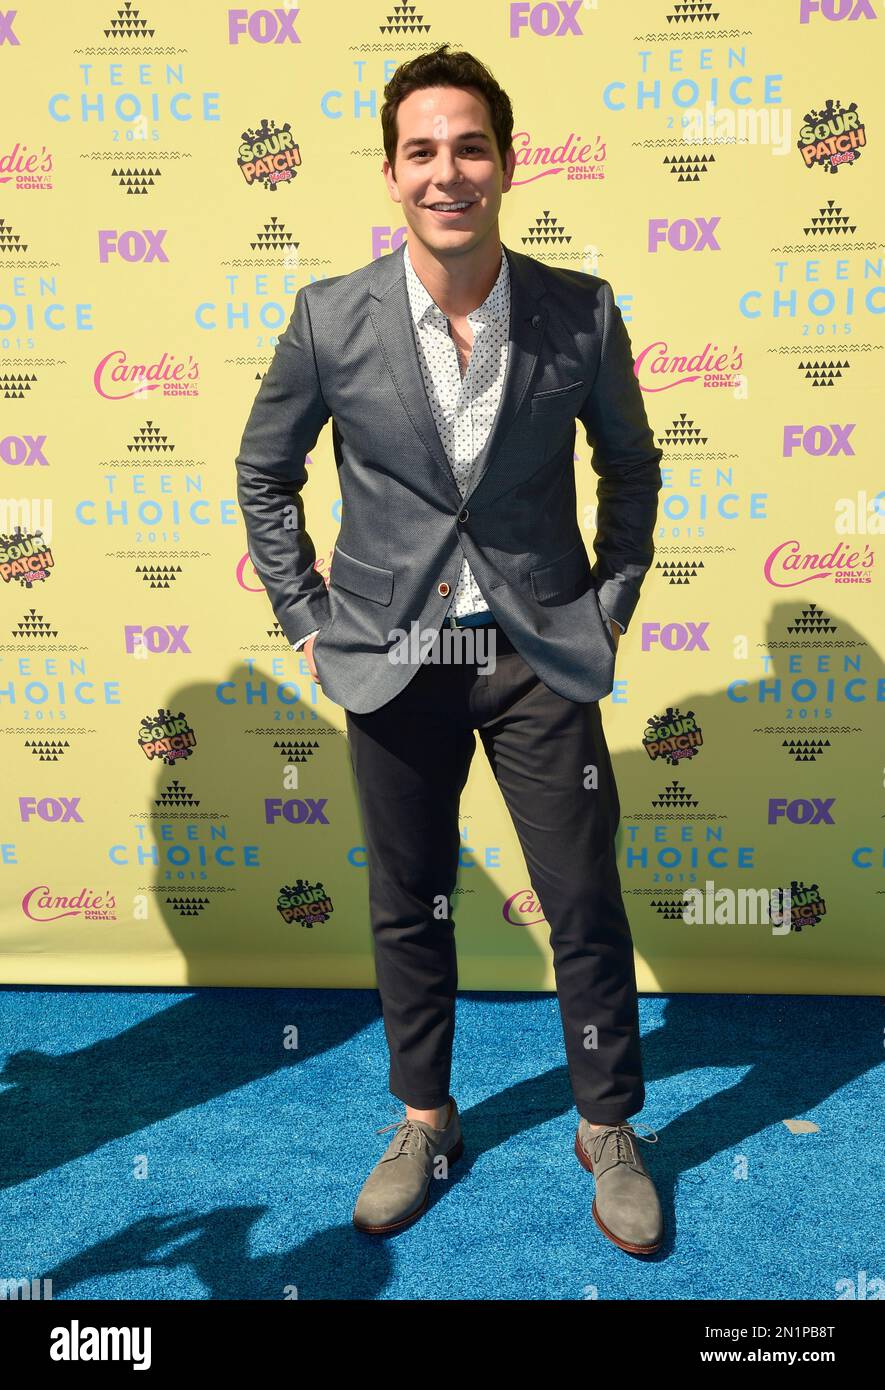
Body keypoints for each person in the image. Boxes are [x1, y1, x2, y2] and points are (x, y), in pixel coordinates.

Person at [235, 44, 664, 1256]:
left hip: (540, 653)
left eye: (469, 146)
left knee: (582, 899)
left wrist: (608, 607)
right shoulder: (330, 316)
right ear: (390, 172)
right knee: (410, 902)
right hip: (392, 654)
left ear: (507, 163)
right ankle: (426, 1118)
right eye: (422, 150)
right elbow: (264, 473)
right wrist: (307, 621)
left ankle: (608, 1124)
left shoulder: (580, 310)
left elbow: (632, 469)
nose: (448, 172)